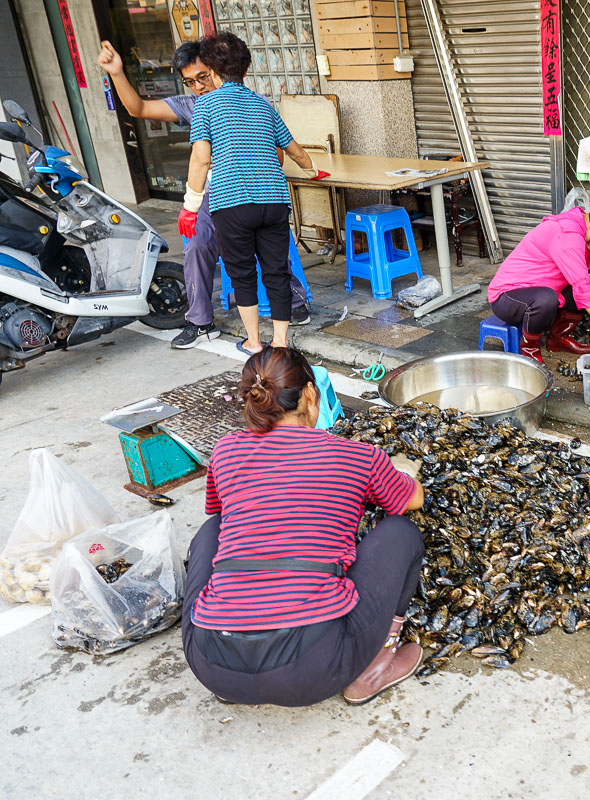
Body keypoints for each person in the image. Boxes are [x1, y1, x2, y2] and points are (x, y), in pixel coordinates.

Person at [182, 347, 427, 706]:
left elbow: (220, 512)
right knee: (401, 533)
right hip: (310, 670)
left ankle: (237, 675)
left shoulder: (225, 450)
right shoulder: (358, 456)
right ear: (311, 395)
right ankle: (376, 664)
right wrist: (403, 473)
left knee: (212, 528)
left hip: (212, 665)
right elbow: (411, 500)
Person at [96, 40, 312, 350]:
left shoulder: (251, 102)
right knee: (197, 244)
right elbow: (138, 109)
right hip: (211, 196)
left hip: (242, 191)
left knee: (266, 253)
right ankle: (200, 321)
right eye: (190, 81)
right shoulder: (192, 105)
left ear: (217, 70)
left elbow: (277, 155)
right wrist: (116, 73)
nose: (198, 86)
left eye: (203, 76)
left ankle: (289, 304)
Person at [180, 32, 328, 355]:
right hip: (274, 201)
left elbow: (201, 159)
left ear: (214, 73)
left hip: (232, 204)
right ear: (245, 70)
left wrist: (190, 206)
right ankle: (281, 341)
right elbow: (293, 150)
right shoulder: (264, 105)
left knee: (242, 273)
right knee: (276, 270)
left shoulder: (205, 106)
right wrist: (313, 170)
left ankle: (254, 342)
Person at [487, 193, 590, 362]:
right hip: (508, 297)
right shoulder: (568, 235)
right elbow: (583, 288)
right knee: (545, 299)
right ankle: (530, 351)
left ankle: (557, 338)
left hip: (545, 291)